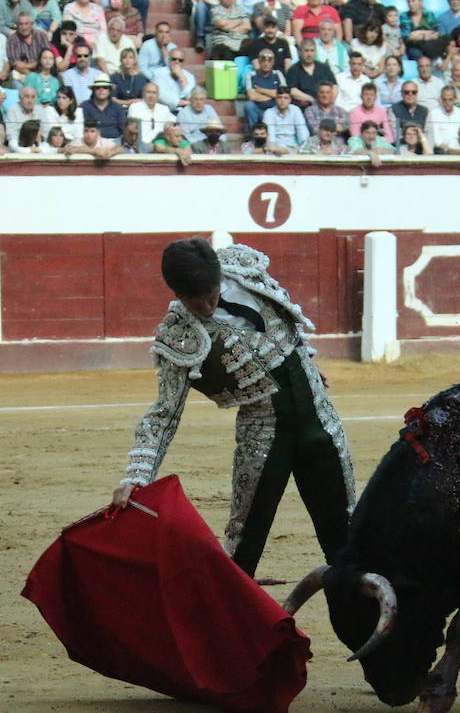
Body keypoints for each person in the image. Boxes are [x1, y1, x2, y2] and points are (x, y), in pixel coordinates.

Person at [114, 238, 354, 578]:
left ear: (218, 277)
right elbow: (163, 414)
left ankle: (366, 627)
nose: (209, 309)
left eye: (212, 297)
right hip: (264, 437)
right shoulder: (179, 334)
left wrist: (305, 361)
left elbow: (287, 322)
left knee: (346, 536)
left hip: (321, 422)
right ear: (178, 295)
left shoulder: (245, 269)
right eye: (198, 305)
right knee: (243, 546)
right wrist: (136, 477)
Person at [285, 37, 333, 107]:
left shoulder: (324, 68)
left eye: (312, 51)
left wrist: (329, 101)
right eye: (306, 51)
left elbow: (334, 86)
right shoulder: (293, 70)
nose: (309, 54)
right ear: (300, 52)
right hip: (303, 106)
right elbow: (292, 90)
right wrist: (311, 99)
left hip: (325, 105)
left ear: (315, 52)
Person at [151, 44, 194, 109]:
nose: (177, 62)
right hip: (164, 111)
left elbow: (191, 97)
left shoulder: (190, 77)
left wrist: (182, 78)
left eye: (180, 60)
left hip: (185, 111)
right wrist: (187, 103)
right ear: (168, 60)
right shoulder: (158, 73)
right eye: (174, 59)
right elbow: (163, 97)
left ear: (184, 63)